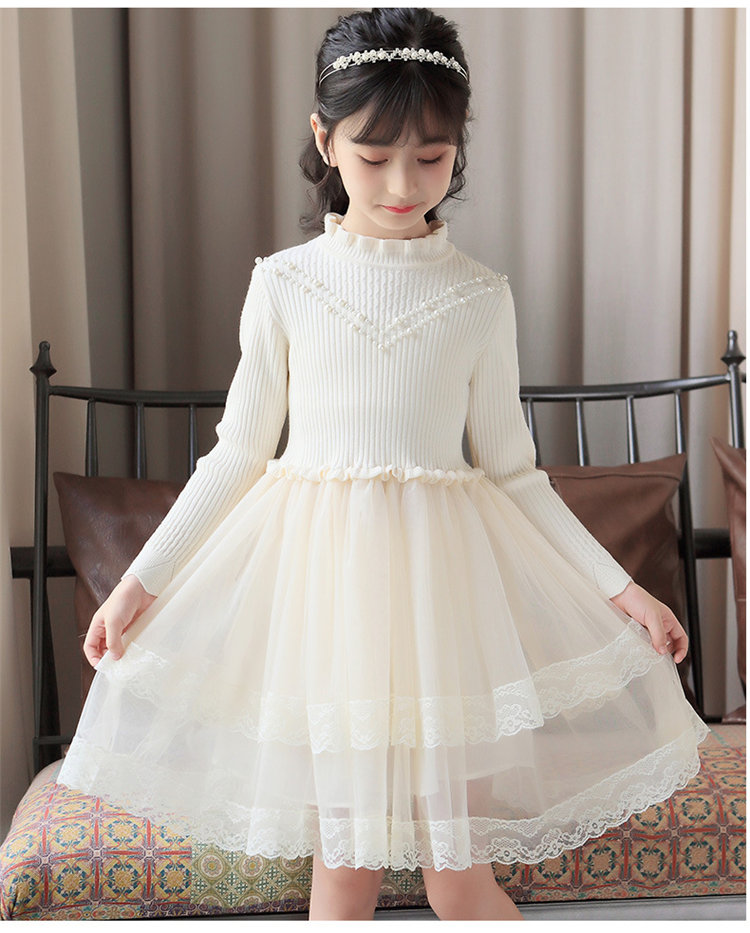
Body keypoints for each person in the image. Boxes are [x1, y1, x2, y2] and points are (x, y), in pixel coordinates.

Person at [55, 7, 710, 922]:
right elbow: (238, 455)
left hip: (446, 613)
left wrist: (623, 592)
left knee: (460, 875)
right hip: (327, 612)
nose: (404, 184)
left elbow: (515, 474)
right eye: (373, 157)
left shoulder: (479, 297)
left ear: (458, 149)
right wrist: (138, 586)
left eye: (431, 157)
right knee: (345, 873)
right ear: (326, 141)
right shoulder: (285, 284)